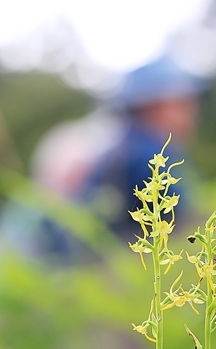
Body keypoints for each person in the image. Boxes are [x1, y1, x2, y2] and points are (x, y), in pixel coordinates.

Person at [39, 58, 204, 262]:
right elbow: (189, 224)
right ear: (155, 106)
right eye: (183, 103)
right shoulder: (152, 155)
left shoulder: (124, 146)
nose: (193, 113)